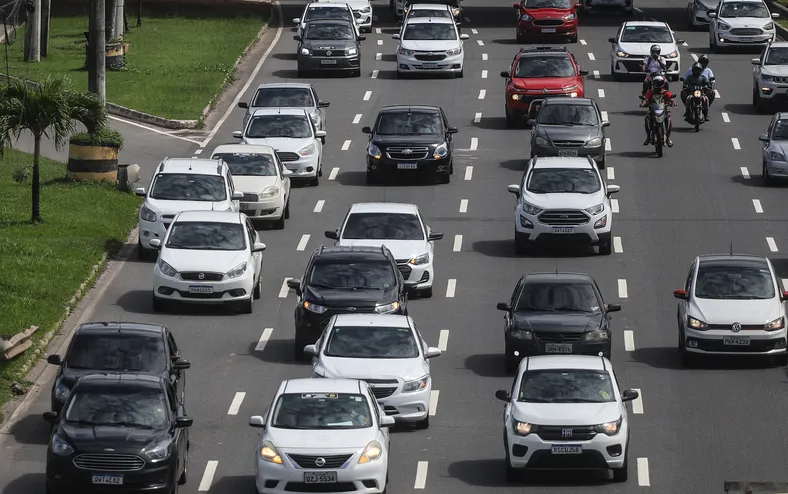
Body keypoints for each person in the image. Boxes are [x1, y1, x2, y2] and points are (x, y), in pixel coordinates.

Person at [640, 75, 675, 147]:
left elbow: (670, 97)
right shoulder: (650, 92)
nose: (658, 85)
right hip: (652, 111)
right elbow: (645, 99)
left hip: (663, 110)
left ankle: (668, 138)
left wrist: (672, 101)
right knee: (647, 119)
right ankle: (648, 137)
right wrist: (643, 104)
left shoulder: (665, 92)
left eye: (660, 83)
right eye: (657, 83)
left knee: (669, 119)